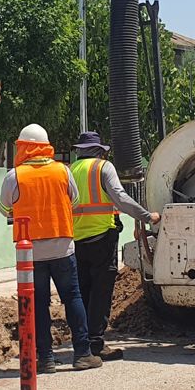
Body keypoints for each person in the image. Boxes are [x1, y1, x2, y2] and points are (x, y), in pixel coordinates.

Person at [0, 124, 99, 372]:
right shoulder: (63, 171)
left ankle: (45, 359)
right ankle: (83, 354)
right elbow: (74, 201)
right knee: (73, 298)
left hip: (30, 252)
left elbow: (3, 209)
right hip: (62, 246)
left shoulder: (15, 176)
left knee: (39, 304)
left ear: (24, 147)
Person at [69, 131, 159, 361]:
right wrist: (148, 216)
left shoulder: (70, 170)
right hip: (101, 237)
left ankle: (83, 343)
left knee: (83, 292)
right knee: (101, 292)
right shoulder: (103, 167)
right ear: (99, 150)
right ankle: (96, 344)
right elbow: (120, 198)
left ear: (80, 150)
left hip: (76, 239)